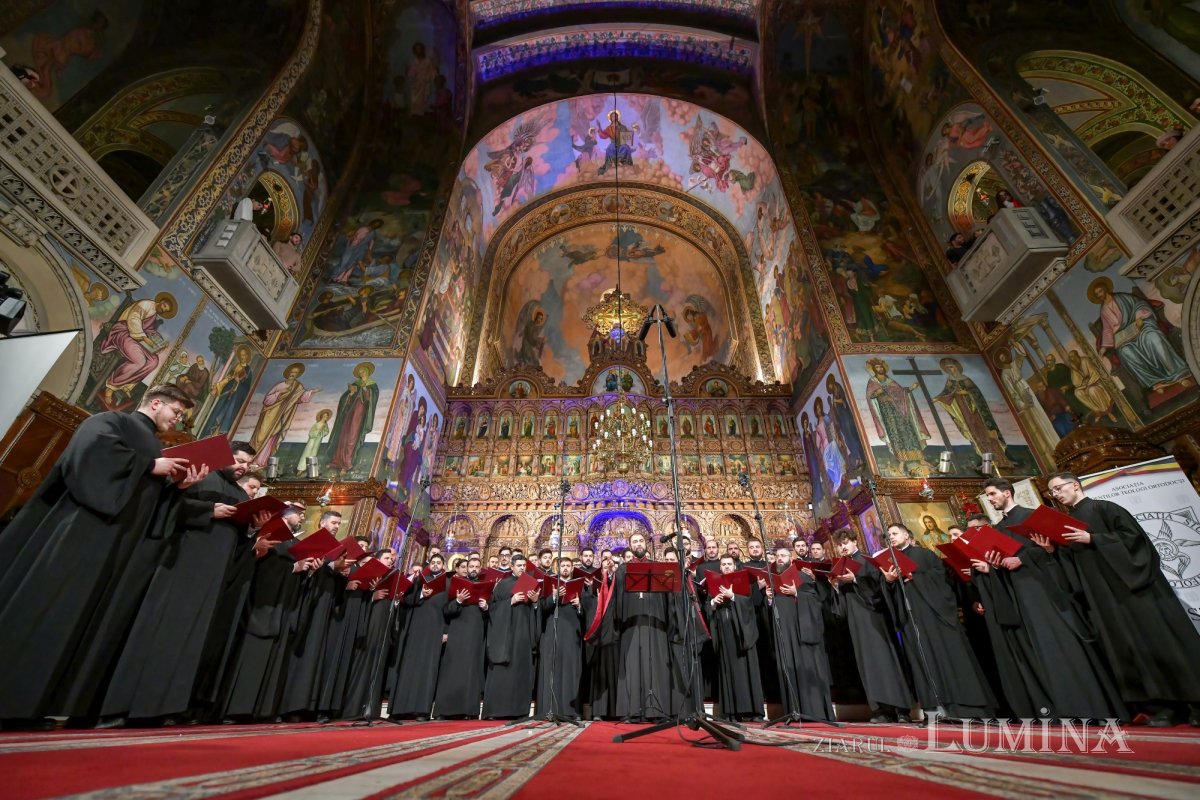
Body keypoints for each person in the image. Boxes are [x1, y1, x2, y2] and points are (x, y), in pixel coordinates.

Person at [0, 385, 200, 727]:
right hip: (80, 534)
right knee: (47, 611)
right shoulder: (112, 421)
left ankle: (33, 707)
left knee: (74, 624)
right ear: (155, 402)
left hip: (116, 544)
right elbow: (92, 454)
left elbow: (143, 494)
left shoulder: (154, 444)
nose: (178, 419)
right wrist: (150, 464)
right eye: (176, 412)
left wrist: (176, 487)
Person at [99, 443, 264, 726]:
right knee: (160, 630)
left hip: (213, 576)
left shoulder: (239, 494)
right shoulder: (202, 474)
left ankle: (167, 707)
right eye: (239, 460)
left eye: (247, 464)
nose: (242, 467)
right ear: (225, 456)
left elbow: (235, 540)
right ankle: (126, 708)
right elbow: (165, 506)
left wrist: (254, 530)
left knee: (192, 640)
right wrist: (209, 510)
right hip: (182, 563)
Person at [1046, 472, 1200, 727]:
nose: (1056, 494)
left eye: (1058, 488)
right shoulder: (1068, 522)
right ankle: (1162, 707)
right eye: (1052, 492)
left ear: (1075, 485)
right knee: (1134, 650)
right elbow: (1075, 566)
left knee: (1166, 643)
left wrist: (1093, 538)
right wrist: (1054, 551)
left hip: (1136, 592)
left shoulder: (1104, 508)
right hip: (1106, 599)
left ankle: (1195, 703)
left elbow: (1137, 541)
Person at [980, 477, 1126, 720]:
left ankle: (1091, 708)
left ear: (1007, 493)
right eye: (989, 496)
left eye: (993, 493)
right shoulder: (996, 528)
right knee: (1043, 651)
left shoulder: (1033, 515)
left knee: (1061, 643)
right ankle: (1065, 710)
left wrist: (1023, 559)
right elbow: (1006, 557)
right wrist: (996, 564)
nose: (991, 499)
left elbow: (1057, 549)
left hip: (1045, 589)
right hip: (1020, 593)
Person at [879, 524, 996, 720]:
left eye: (895, 533)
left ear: (907, 535)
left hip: (934, 616)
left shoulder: (924, 555)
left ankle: (967, 708)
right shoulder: (890, 561)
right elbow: (888, 593)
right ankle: (934, 710)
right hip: (912, 620)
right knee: (923, 661)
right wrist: (889, 581)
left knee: (949, 657)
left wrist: (914, 577)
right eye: (888, 535)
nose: (890, 537)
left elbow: (942, 579)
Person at [828, 529, 914, 723]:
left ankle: (901, 709)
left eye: (846, 542)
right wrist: (835, 586)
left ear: (854, 542)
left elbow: (878, 590)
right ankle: (881, 710)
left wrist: (856, 580)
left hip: (874, 619)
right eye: (839, 544)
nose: (843, 547)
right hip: (856, 624)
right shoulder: (840, 566)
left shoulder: (867, 561)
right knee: (867, 667)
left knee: (886, 662)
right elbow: (841, 606)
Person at [769, 545, 834, 721]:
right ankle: (794, 711)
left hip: (802, 633)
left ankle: (815, 712)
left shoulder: (803, 576)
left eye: (783, 555)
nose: (780, 558)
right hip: (785, 632)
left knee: (807, 666)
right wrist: (769, 598)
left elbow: (816, 599)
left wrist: (796, 592)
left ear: (791, 558)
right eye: (777, 556)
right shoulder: (772, 578)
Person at [390, 555, 450, 718]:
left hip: (435, 630)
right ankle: (401, 709)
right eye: (433, 563)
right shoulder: (419, 580)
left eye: (439, 562)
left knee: (428, 670)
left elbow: (448, 610)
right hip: (415, 629)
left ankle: (421, 711)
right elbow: (406, 600)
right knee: (409, 667)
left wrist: (446, 631)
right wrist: (422, 594)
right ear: (429, 565)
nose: (436, 565)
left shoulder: (448, 583)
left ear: (443, 565)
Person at [706, 555, 764, 721]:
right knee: (728, 670)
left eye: (729, 564)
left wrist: (733, 597)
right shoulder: (714, 582)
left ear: (735, 566)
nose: (726, 567)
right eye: (723, 564)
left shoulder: (742, 580)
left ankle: (754, 712)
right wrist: (713, 603)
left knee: (747, 670)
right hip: (725, 634)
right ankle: (731, 712)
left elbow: (749, 603)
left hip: (742, 633)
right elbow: (708, 606)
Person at [483, 555, 540, 719]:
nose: (522, 568)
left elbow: (535, 610)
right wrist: (511, 601)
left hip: (523, 636)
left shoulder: (530, 584)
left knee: (521, 670)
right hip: (505, 636)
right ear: (512, 567)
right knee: (502, 672)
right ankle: (496, 711)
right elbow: (492, 608)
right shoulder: (503, 585)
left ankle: (518, 711)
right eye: (519, 565)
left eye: (524, 565)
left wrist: (535, 602)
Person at [434, 557, 489, 718]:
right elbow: (447, 610)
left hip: (476, 632)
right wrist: (458, 600)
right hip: (457, 630)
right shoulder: (456, 584)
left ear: (480, 569)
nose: (473, 569)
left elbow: (492, 614)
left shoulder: (486, 587)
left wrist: (486, 607)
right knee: (452, 669)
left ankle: (468, 711)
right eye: (470, 566)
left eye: (476, 566)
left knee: (472, 671)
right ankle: (445, 710)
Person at [536, 558, 586, 720]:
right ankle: (550, 709)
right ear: (557, 568)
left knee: (571, 669)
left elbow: (587, 612)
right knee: (553, 669)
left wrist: (579, 604)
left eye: (568, 566)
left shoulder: (580, 586)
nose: (565, 569)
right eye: (562, 566)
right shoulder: (549, 585)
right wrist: (554, 597)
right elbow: (542, 607)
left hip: (572, 632)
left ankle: (570, 711)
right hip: (553, 630)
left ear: (572, 568)